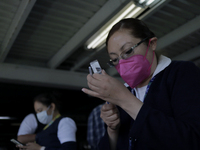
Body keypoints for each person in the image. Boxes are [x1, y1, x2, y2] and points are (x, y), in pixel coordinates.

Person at [82, 18, 200, 150]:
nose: (122, 63)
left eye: (127, 52)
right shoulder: (124, 93)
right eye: (115, 59)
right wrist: (112, 130)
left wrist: (125, 99)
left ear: (152, 44)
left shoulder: (180, 73)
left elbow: (192, 140)